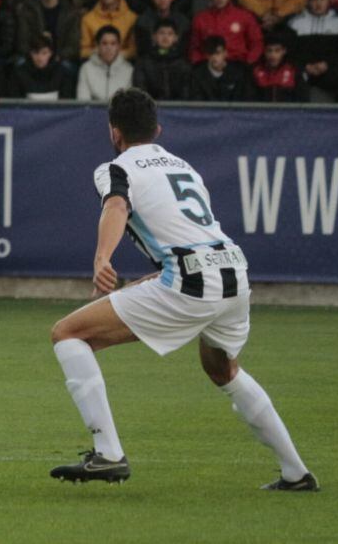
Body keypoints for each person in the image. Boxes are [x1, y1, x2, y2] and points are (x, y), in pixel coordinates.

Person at [48, 87, 318, 491]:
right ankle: (296, 473)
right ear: (157, 129)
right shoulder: (185, 167)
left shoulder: (115, 167)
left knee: (68, 334)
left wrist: (102, 257)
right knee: (222, 369)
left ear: (114, 132)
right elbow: (190, 236)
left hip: (191, 283)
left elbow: (117, 206)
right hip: (234, 273)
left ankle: (107, 454)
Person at [77, 26, 133, 101]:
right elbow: (83, 103)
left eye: (113, 44)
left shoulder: (129, 70)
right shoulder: (86, 69)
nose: (108, 48)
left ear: (119, 46)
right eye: (104, 43)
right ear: (97, 46)